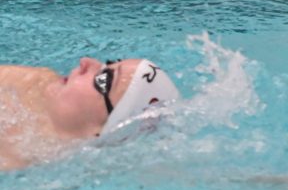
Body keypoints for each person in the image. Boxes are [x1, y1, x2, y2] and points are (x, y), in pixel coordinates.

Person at [0, 57, 181, 171]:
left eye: (103, 80)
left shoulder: (22, 170)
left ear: (101, 132)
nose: (86, 61)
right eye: (108, 63)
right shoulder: (32, 83)